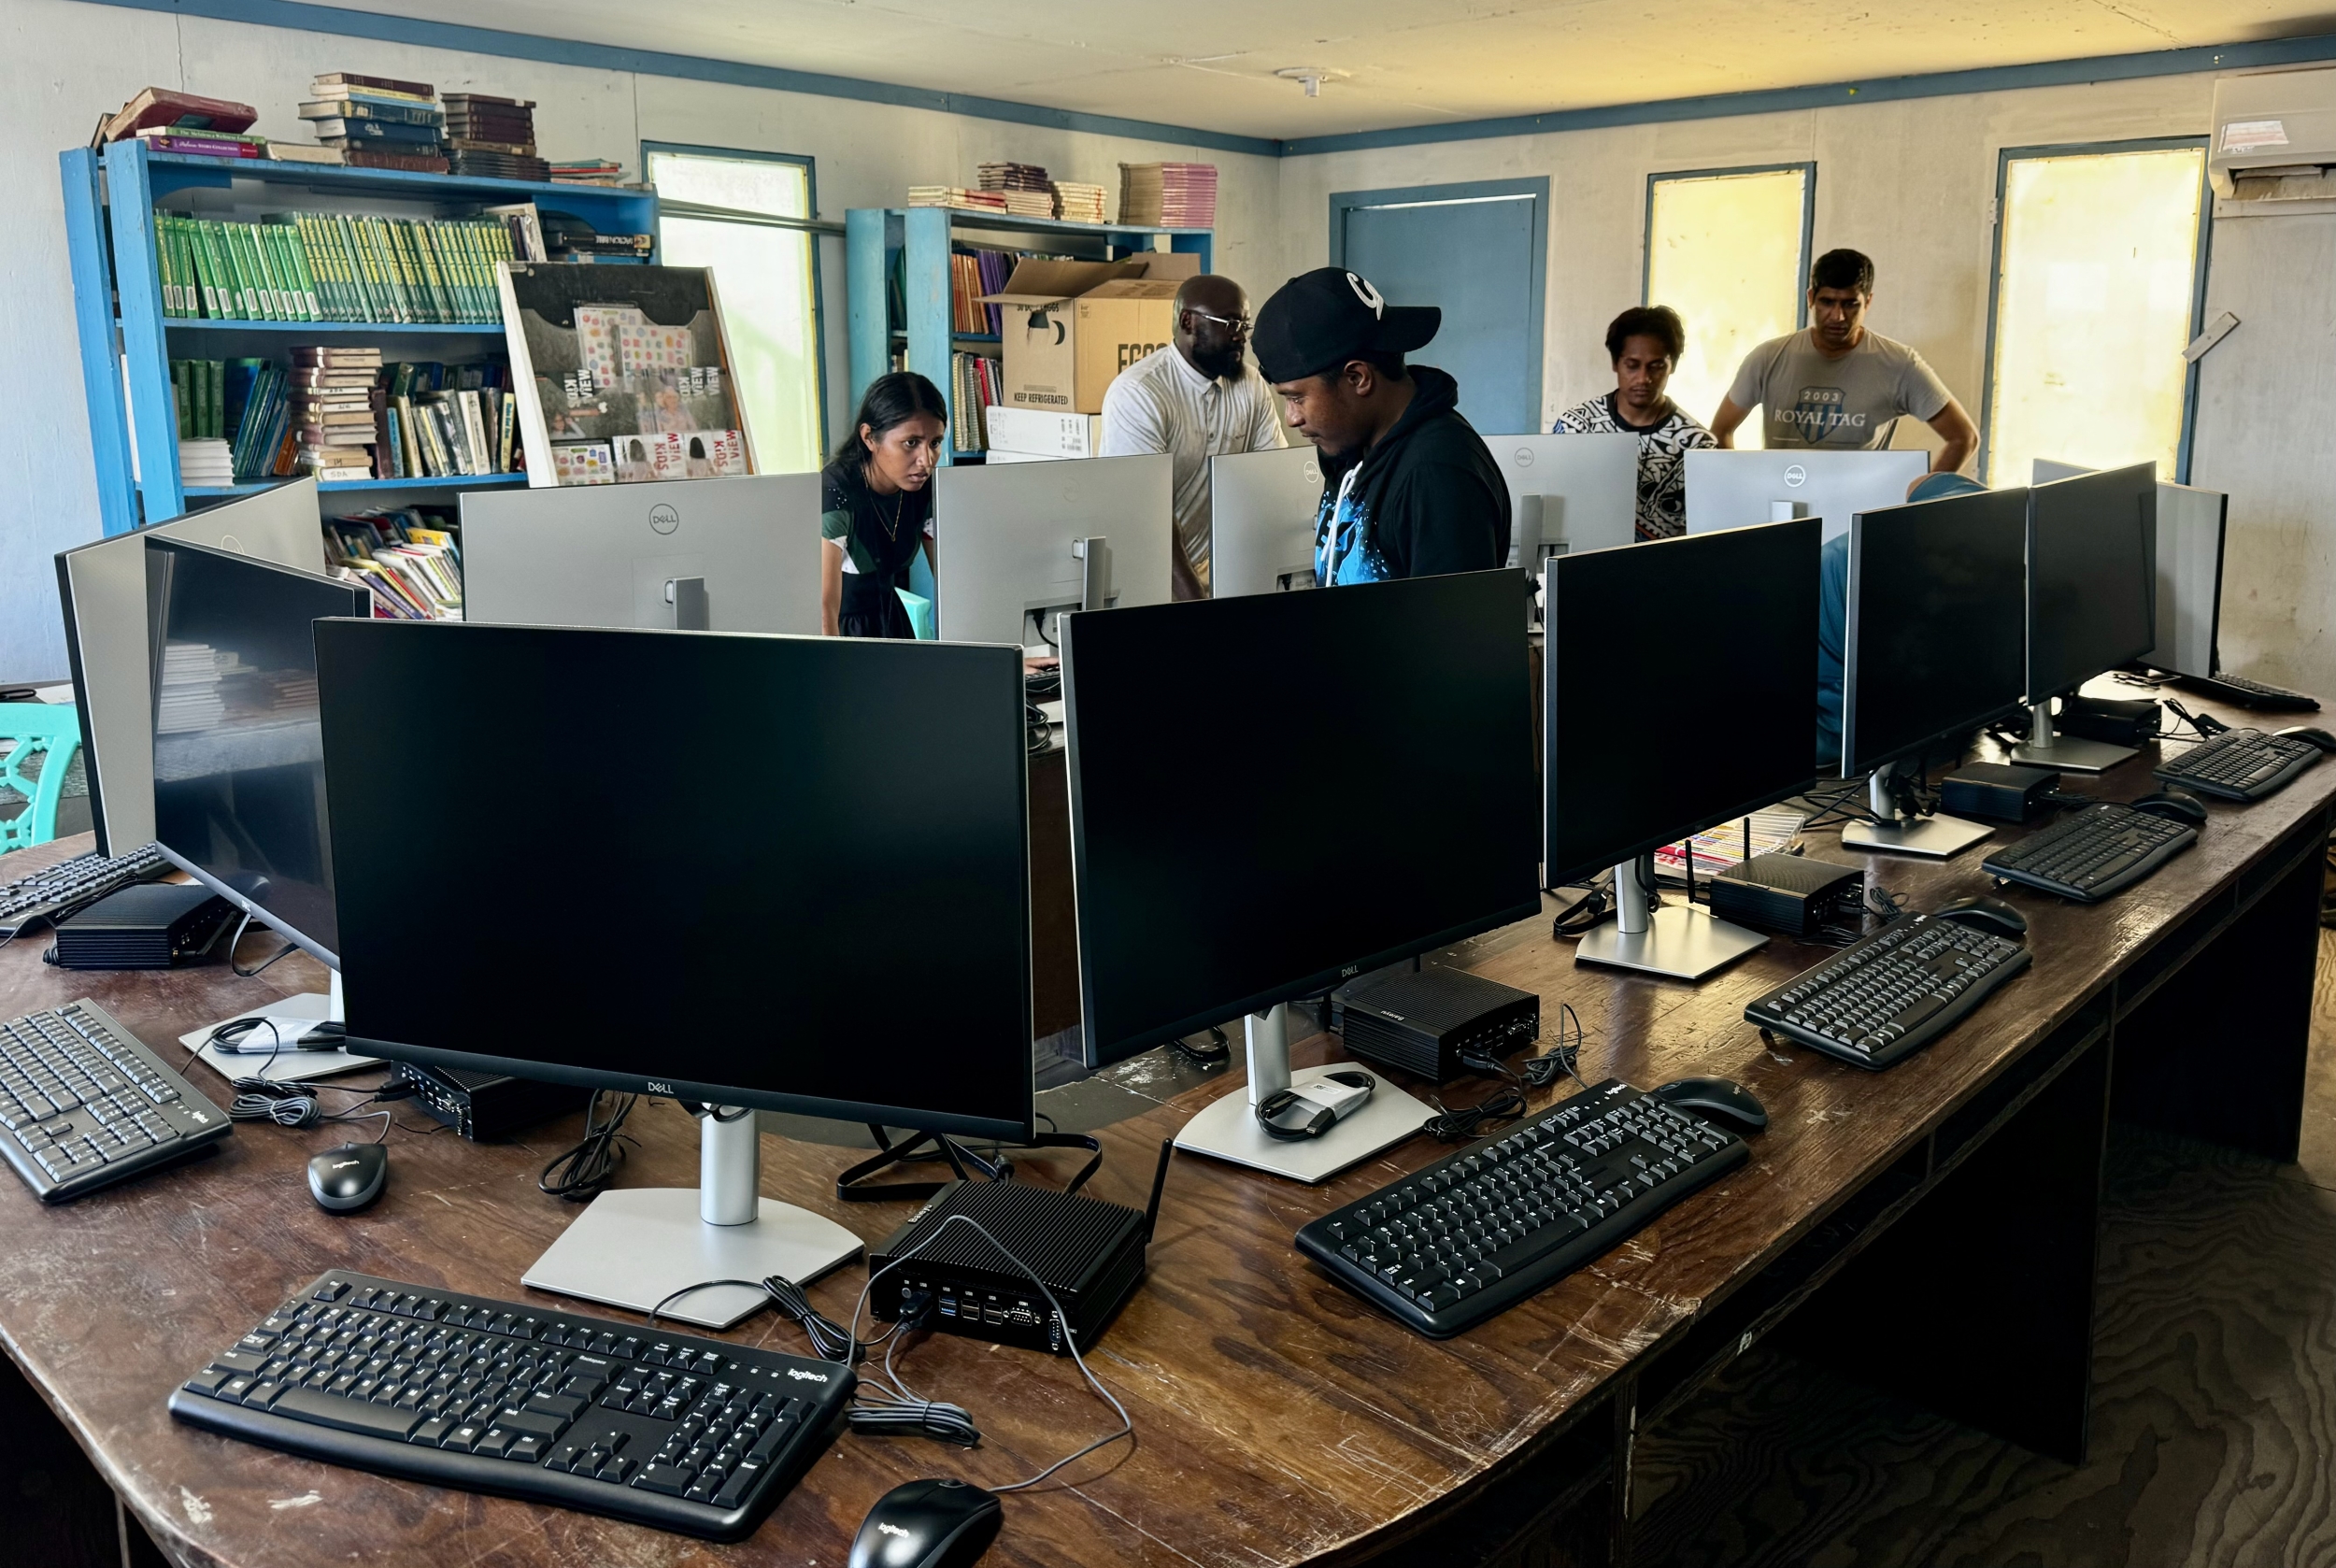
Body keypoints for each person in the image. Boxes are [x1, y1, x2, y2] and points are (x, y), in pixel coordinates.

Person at [1251, 267, 1508, 586]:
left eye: (1297, 398)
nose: (1292, 418)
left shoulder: (1436, 474)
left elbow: (1453, 632)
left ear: (1357, 378)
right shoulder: (1351, 447)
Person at [1711, 249, 1978, 487]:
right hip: (1782, 509)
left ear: (1868, 302)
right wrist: (1742, 490)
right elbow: (1720, 430)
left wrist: (1916, 502)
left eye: (1850, 304)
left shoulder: (1899, 365)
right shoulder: (1768, 358)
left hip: (1857, 516)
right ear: (1811, 298)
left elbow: (1964, 437)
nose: (1837, 316)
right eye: (1827, 302)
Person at [1099, 274, 1287, 600]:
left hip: (1214, 566)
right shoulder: (1139, 393)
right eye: (1230, 323)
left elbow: (1273, 480)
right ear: (1188, 322)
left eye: (1244, 324)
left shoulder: (1250, 385)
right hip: (1146, 569)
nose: (1241, 336)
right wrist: (1197, 607)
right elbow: (1148, 515)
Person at [1552, 305, 1716, 540]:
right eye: (1632, 365)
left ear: (1673, 366)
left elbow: (1700, 532)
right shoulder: (1576, 426)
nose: (1643, 378)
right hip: (1584, 562)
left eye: (1656, 366)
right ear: (1615, 363)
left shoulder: (1698, 445)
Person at [819, 372, 946, 639]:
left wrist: (1005, 656)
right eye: (910, 443)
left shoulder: (924, 491)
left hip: (894, 626)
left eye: (935, 443)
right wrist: (829, 673)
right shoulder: (836, 493)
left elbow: (951, 586)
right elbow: (824, 606)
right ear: (869, 437)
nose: (926, 460)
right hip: (841, 635)